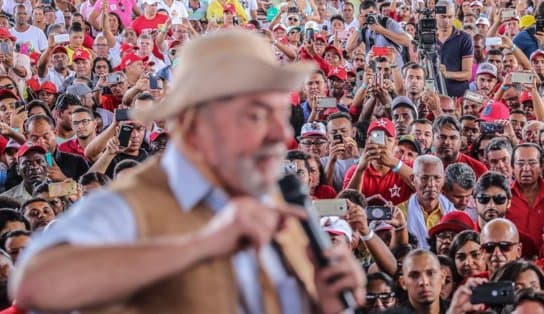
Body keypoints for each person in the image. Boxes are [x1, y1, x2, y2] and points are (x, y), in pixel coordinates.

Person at [12, 30, 366, 313]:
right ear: (195, 122)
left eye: (280, 114)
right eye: (257, 115)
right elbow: (36, 284)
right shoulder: (133, 204)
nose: (282, 134)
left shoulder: (278, 205)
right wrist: (204, 245)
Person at [344, 118, 413, 205]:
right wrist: (360, 170)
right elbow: (346, 205)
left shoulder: (407, 166)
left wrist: (393, 163)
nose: (382, 144)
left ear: (395, 144)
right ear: (367, 142)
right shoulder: (355, 171)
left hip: (400, 218)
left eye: (387, 139)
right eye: (377, 137)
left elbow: (423, 187)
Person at [398, 155, 455, 250]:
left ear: (443, 180)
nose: (431, 184)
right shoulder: (400, 214)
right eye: (424, 178)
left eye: (437, 178)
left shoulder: (453, 214)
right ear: (412, 179)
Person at [507, 143, 544, 249]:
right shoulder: (503, 197)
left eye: (532, 163)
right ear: (513, 167)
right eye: (520, 163)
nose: (526, 168)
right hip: (513, 261)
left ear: (541, 167)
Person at [436, 1, 473, 97]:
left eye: (450, 17)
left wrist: (446, 74)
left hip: (458, 96)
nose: (447, 21)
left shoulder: (464, 38)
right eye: (443, 16)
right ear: (435, 15)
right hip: (434, 94)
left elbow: (467, 74)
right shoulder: (428, 38)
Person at [398, 249, 449, 314]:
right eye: (414, 275)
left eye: (430, 273)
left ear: (442, 277)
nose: (424, 282)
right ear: (403, 283)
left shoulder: (460, 311)